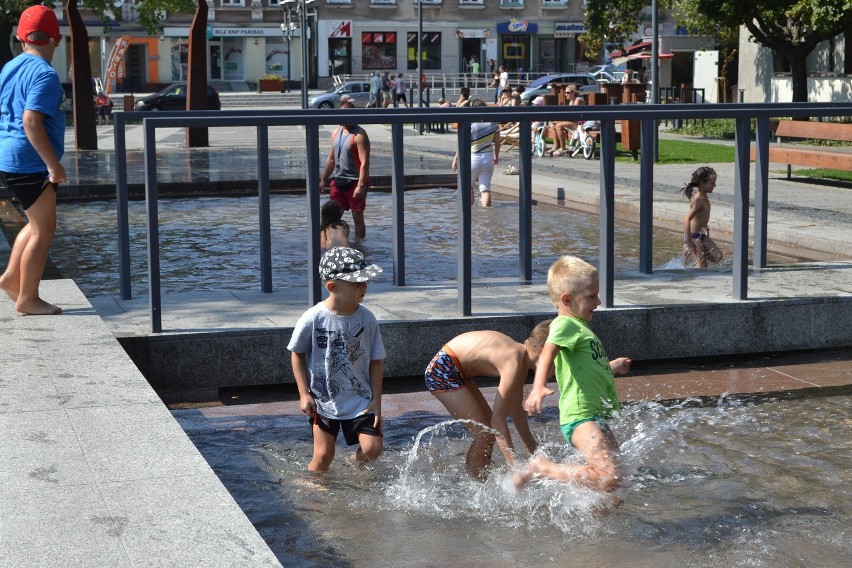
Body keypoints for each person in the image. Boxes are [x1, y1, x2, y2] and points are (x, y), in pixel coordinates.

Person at [516, 256, 632, 493]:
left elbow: (588, 371)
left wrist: (613, 366)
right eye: (591, 296)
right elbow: (548, 351)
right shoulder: (564, 324)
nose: (598, 301)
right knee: (611, 475)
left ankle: (595, 523)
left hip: (594, 415)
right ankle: (543, 468)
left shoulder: (580, 328)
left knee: (615, 482)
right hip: (581, 416)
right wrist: (538, 386)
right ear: (567, 299)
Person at [289, 246, 386, 472]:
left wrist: (377, 402)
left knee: (373, 449)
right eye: (356, 283)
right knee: (323, 455)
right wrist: (304, 393)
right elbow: (297, 353)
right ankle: (311, 491)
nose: (364, 286)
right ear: (332, 286)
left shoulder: (367, 318)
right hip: (324, 400)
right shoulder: (314, 318)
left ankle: (357, 462)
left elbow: (376, 360)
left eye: (365, 281)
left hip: (360, 399)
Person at [0, 5, 67, 316]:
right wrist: (53, 165)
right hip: (31, 161)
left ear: (20, 38)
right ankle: (28, 298)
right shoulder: (46, 74)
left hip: (9, 157)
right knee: (45, 230)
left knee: (35, 222)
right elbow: (31, 121)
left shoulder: (9, 68)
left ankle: (12, 279)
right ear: (57, 39)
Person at [424, 320, 551, 479]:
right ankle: (475, 486)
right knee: (484, 435)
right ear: (543, 353)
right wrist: (515, 466)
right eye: (557, 359)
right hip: (442, 370)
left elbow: (516, 412)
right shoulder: (513, 360)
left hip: (456, 369)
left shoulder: (520, 361)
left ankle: (480, 480)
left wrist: (534, 450)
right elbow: (498, 421)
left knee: (487, 433)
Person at [320, 100, 370, 239]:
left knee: (357, 215)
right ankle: (331, 243)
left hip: (354, 181)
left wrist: (360, 185)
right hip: (338, 180)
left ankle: (360, 246)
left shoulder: (359, 135)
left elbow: (365, 162)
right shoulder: (336, 133)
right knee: (333, 215)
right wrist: (324, 179)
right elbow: (331, 159)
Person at [451, 99, 499, 207]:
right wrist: (496, 155)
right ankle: (486, 212)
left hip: (473, 158)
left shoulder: (471, 125)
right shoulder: (494, 124)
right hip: (488, 158)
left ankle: (471, 211)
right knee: (485, 189)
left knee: (469, 186)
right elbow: (497, 143)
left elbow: (462, 144)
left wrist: (455, 159)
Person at [681, 166, 723, 268]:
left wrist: (706, 230)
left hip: (702, 236)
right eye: (712, 183)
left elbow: (701, 218)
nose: (715, 185)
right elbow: (687, 219)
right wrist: (689, 240)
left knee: (718, 257)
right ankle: (689, 249)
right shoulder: (699, 199)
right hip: (694, 236)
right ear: (702, 184)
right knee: (701, 264)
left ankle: (692, 253)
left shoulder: (704, 197)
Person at [549, 84, 586, 157]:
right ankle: (556, 147)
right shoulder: (571, 102)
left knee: (559, 125)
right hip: (573, 122)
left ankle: (563, 149)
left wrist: (560, 121)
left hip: (580, 124)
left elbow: (574, 116)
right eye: (565, 93)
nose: (566, 94)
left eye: (568, 92)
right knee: (553, 125)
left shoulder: (578, 100)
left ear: (574, 92)